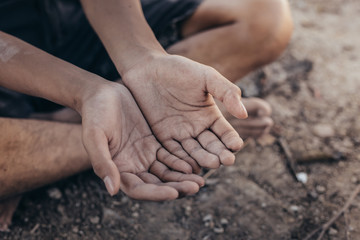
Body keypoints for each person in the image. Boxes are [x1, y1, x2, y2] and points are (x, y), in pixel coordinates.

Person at [0, 0, 293, 231]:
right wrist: (82, 89)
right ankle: (112, 131)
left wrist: (142, 57)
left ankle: (69, 132)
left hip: (64, 15)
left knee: (266, 17)